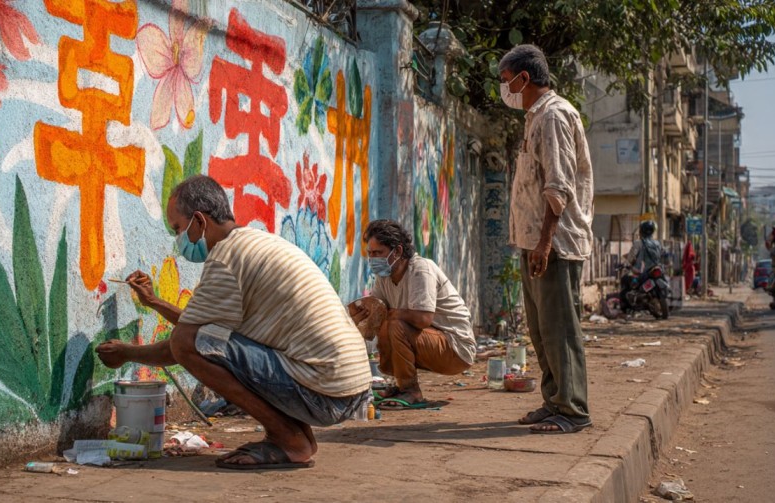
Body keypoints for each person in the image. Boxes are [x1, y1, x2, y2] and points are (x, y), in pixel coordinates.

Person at [96, 175, 371, 470]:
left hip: (325, 391)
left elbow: (184, 344)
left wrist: (127, 353)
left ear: (199, 222)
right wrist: (154, 302)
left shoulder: (226, 259)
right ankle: (293, 437)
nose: (179, 241)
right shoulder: (252, 243)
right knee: (194, 340)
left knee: (186, 343)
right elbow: (202, 328)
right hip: (346, 387)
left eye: (178, 229)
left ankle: (290, 440)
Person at [499, 44, 593, 434]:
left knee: (560, 329)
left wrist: (545, 242)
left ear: (525, 78)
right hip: (534, 241)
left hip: (555, 243)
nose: (504, 89)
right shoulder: (535, 118)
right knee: (540, 330)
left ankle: (572, 410)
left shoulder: (554, 115)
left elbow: (559, 184)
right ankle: (553, 399)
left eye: (506, 81)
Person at [348, 220, 475, 409]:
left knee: (395, 323)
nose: (373, 259)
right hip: (431, 342)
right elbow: (376, 311)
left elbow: (423, 319)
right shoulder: (384, 277)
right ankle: (401, 386)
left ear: (397, 252)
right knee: (389, 322)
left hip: (456, 349)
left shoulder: (421, 269)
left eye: (378, 253)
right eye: (370, 254)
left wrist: (388, 314)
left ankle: (411, 391)